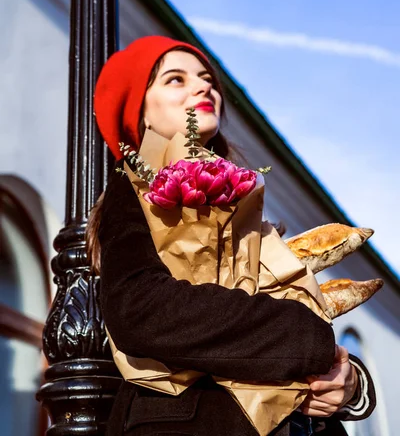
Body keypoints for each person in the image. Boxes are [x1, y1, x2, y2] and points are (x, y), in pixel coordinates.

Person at [89, 35, 376, 436]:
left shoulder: (244, 204)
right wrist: (304, 339)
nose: (204, 86)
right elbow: (140, 307)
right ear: (143, 113)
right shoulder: (134, 191)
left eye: (207, 77)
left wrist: (350, 384)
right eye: (175, 79)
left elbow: (303, 306)